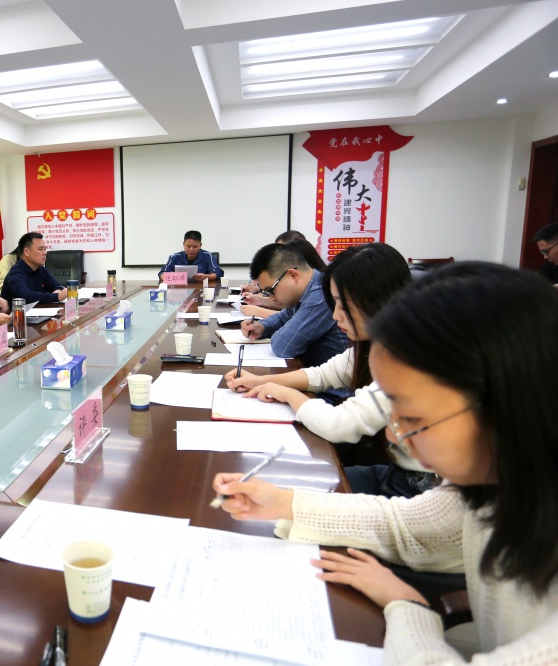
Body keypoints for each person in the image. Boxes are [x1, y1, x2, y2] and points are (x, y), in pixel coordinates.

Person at [213, 262, 558, 665]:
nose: (394, 437)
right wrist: (283, 502)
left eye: (412, 417)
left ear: (505, 404)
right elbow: (405, 524)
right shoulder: (499, 484)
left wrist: (406, 605)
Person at [226, 243, 432, 497]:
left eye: (343, 305)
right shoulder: (378, 343)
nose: (335, 316)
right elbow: (323, 374)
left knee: (290, 495)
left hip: (419, 488)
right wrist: (260, 380)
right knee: (279, 484)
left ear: (379, 300)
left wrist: (287, 393)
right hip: (395, 471)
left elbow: (338, 425)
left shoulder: (407, 359)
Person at [240, 243, 349, 371]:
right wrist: (262, 327)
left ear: (293, 275)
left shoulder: (321, 294)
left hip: (332, 382)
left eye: (271, 290)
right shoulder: (305, 289)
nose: (271, 298)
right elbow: (283, 317)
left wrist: (278, 331)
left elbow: (283, 346)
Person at [241, 237, 326, 316]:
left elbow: (292, 320)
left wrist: (259, 312)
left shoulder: (319, 294)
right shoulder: (306, 288)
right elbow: (286, 315)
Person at [0, 232, 68, 304]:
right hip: (17, 311)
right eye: (40, 249)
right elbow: (25, 296)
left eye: (45, 249)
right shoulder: (15, 274)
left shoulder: (40, 269)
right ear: (27, 252)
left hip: (39, 310)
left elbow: (57, 286)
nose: (45, 253)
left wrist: (59, 292)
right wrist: (57, 296)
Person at [157, 230, 222, 282]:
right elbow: (162, 274)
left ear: (200, 245)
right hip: (180, 289)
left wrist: (206, 277)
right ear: (183, 244)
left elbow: (218, 273)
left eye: (195, 246)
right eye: (188, 246)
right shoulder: (175, 257)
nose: (191, 249)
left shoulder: (207, 256)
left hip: (201, 288)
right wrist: (173, 277)